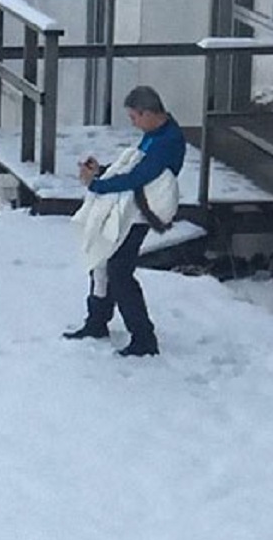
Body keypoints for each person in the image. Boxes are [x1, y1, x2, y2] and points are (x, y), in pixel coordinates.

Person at [63, 85, 186, 356]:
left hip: (139, 214)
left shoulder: (167, 141)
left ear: (147, 114)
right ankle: (97, 321)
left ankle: (143, 338)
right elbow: (135, 171)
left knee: (118, 271)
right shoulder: (157, 133)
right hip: (132, 209)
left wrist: (96, 185)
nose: (133, 123)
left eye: (133, 117)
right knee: (104, 262)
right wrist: (104, 172)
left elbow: (137, 177)